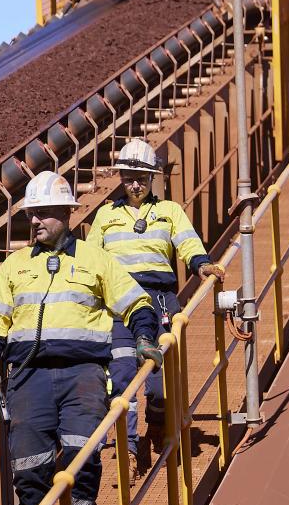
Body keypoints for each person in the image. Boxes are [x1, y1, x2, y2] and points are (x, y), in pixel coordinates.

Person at [0, 170, 160, 505]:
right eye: (31, 215)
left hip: (83, 376)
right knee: (29, 466)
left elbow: (137, 302)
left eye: (44, 214)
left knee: (82, 457)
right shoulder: (15, 267)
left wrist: (145, 337)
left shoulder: (95, 259)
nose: (36, 222)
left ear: (67, 215)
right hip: (28, 379)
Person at [88, 139, 223, 472]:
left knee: (160, 379)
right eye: (130, 176)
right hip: (120, 305)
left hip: (160, 299)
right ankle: (128, 450)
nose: (136, 184)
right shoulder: (105, 215)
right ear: (121, 177)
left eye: (143, 177)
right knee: (121, 376)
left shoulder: (168, 211)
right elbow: (91, 260)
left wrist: (202, 264)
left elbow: (188, 242)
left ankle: (160, 424)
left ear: (153, 179)